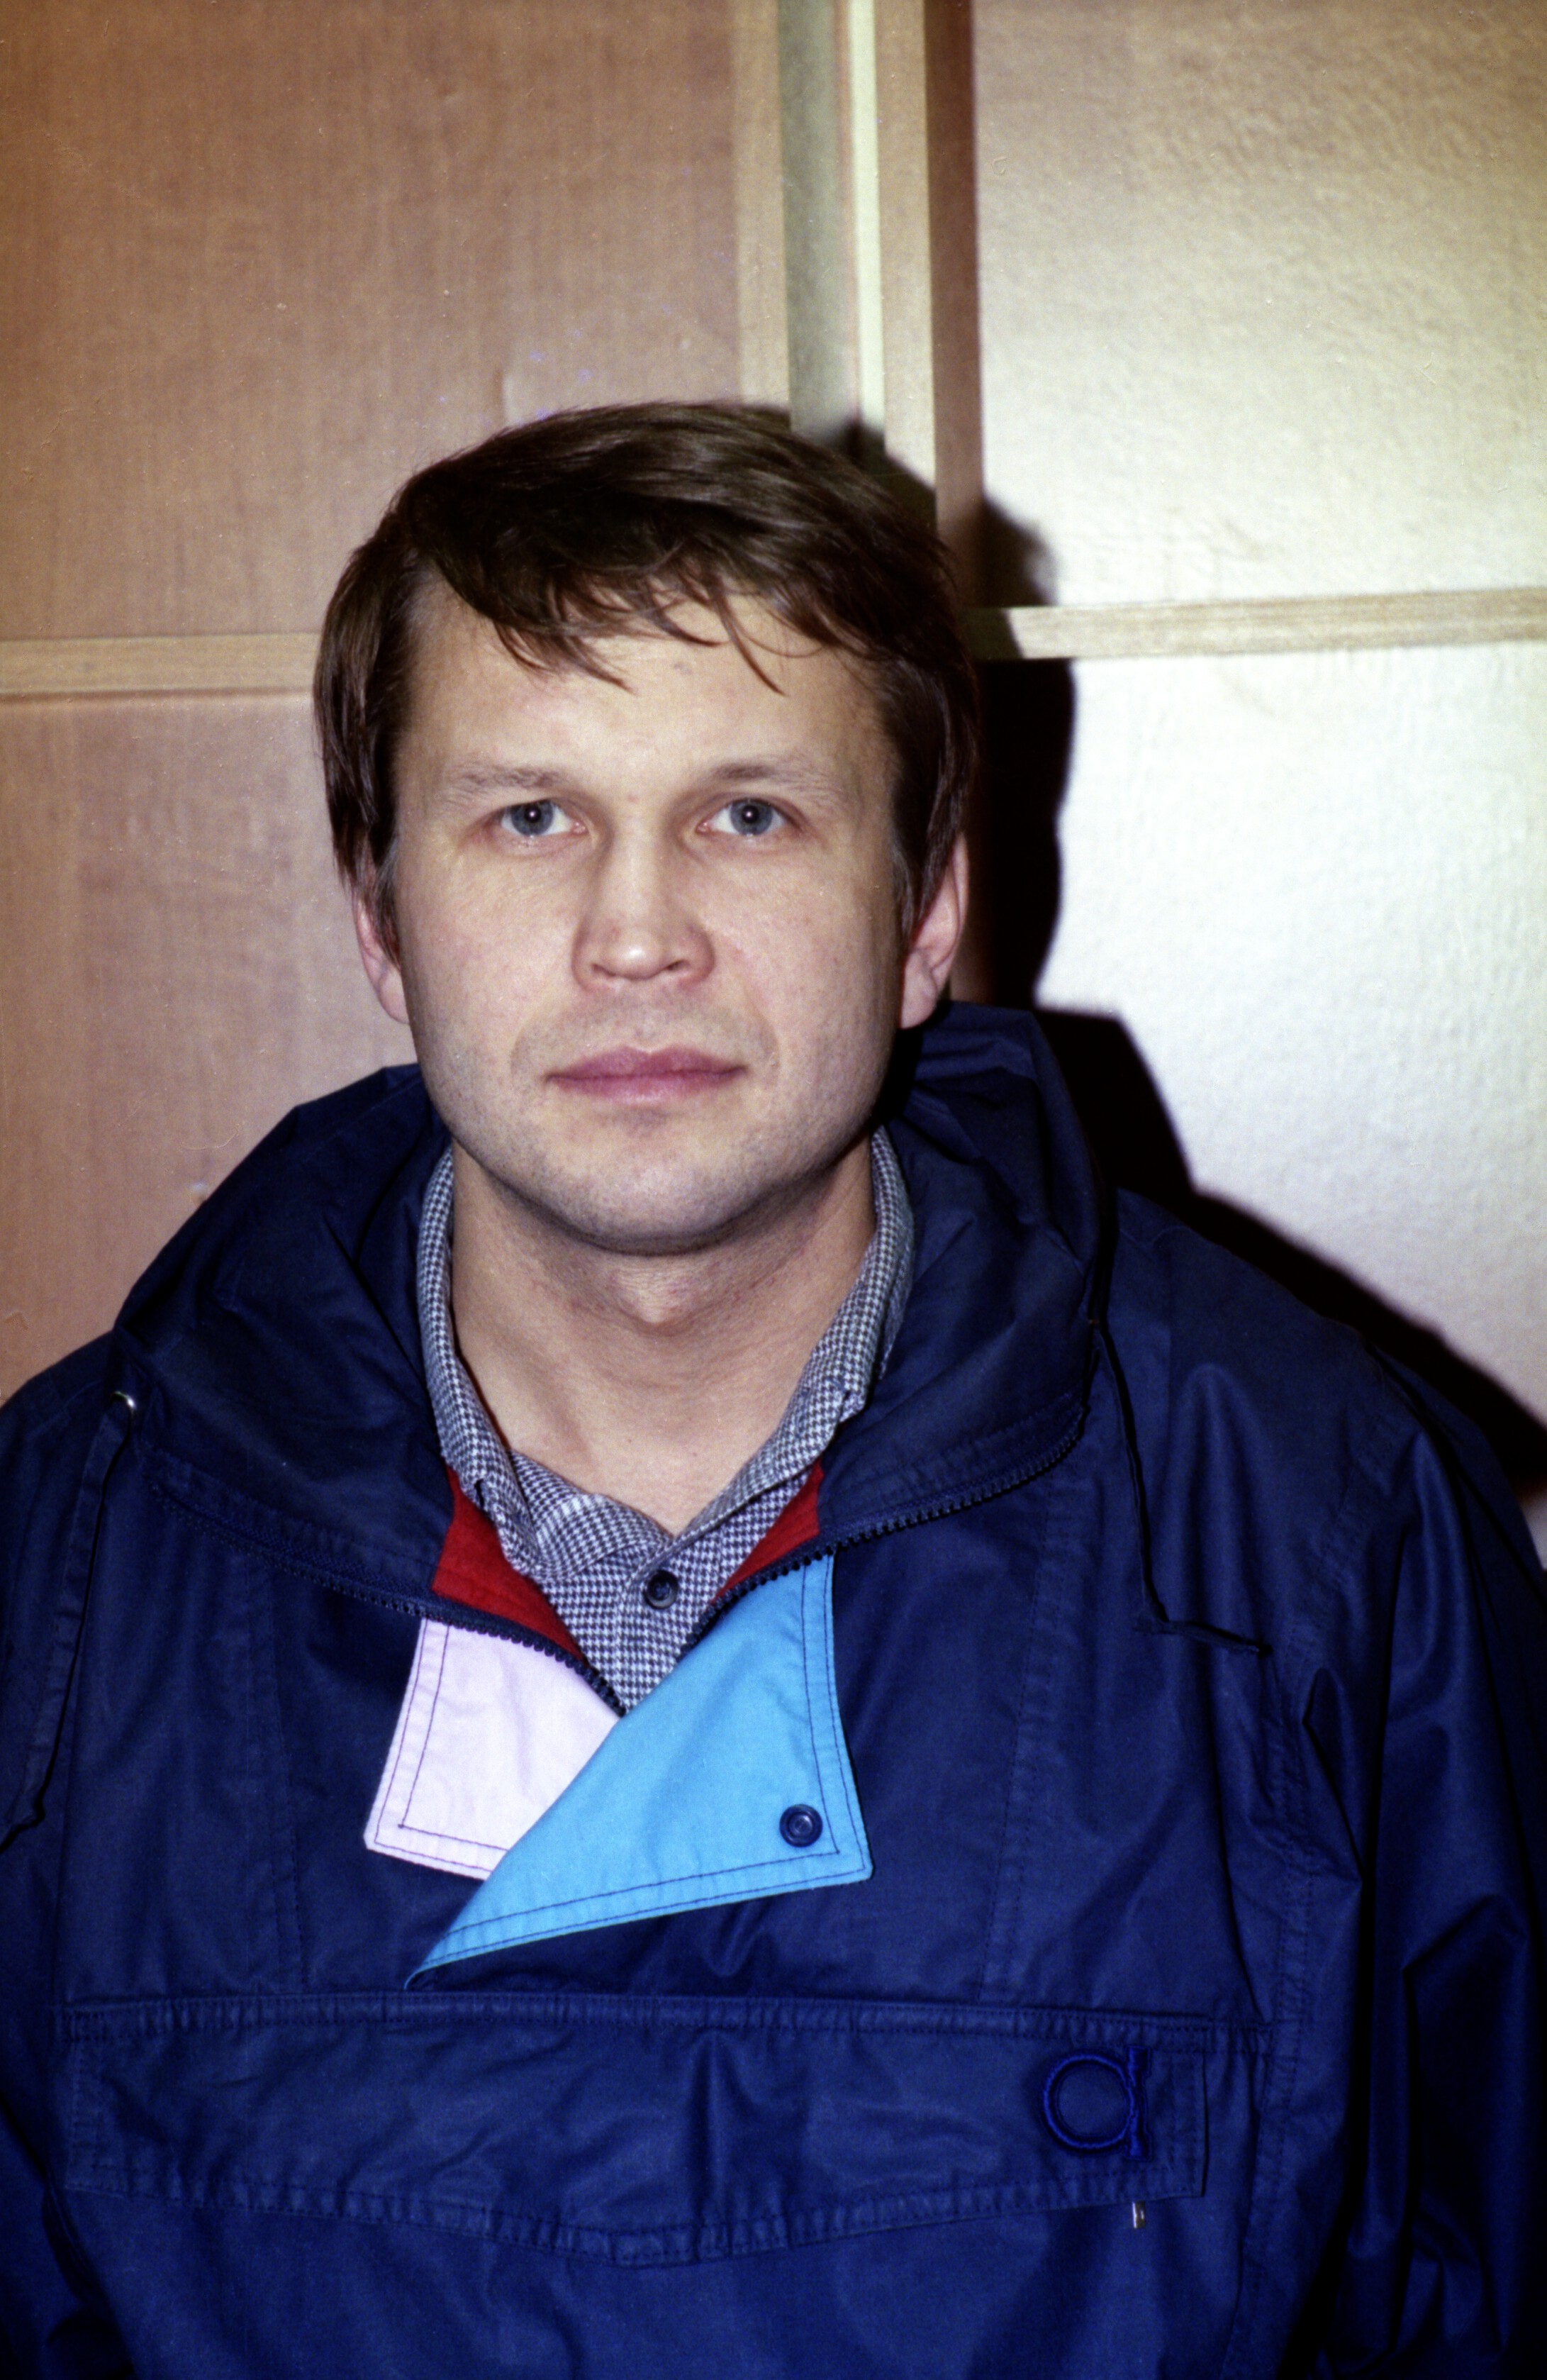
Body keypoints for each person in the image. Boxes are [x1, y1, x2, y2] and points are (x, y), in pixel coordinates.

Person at [1, 404, 1543, 2380]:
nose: (638, 937)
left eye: (749, 815)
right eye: (530, 817)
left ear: (925, 913)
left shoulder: (1320, 1530)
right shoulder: (58, 1561)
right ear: (379, 916)